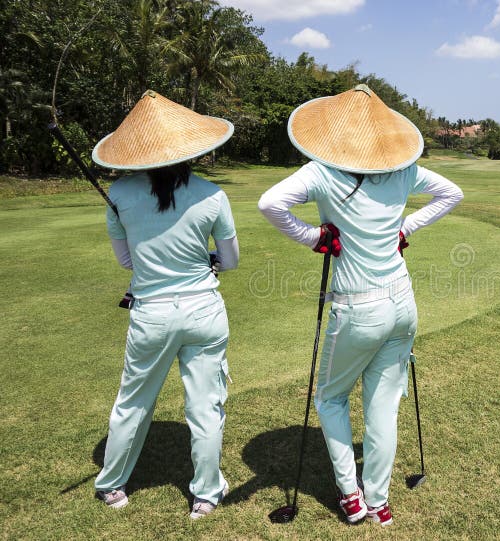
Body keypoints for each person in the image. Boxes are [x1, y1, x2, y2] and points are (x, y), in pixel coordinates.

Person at [258, 84, 463, 526]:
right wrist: (407, 227)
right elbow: (452, 194)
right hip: (402, 304)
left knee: (331, 398)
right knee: (383, 406)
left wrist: (314, 237)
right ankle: (379, 504)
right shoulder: (405, 172)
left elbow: (270, 203)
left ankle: (351, 496)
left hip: (357, 308)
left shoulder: (321, 172)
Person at [92, 90, 239, 519]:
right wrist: (206, 260)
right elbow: (228, 261)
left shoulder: (118, 194)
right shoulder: (213, 194)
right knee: (205, 405)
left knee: (134, 400)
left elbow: (126, 260)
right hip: (204, 312)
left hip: (152, 313)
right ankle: (206, 494)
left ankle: (112, 485)